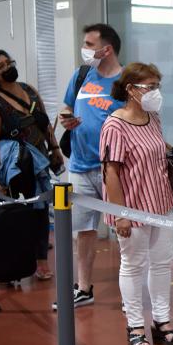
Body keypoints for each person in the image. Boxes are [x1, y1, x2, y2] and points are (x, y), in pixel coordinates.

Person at [101, 62, 173, 345]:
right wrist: (121, 214)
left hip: (161, 202)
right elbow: (110, 172)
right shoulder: (114, 125)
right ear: (131, 89)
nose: (155, 92)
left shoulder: (153, 117)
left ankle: (161, 321)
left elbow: (157, 149)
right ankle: (135, 326)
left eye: (157, 86)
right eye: (150, 87)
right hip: (132, 207)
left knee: (161, 264)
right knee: (133, 265)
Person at [0, 49, 64, 281]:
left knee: (40, 211)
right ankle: (9, 265)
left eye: (9, 62)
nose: (9, 67)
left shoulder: (29, 91)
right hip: (13, 168)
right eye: (2, 66)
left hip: (38, 163)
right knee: (13, 214)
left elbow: (45, 123)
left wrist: (54, 148)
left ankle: (41, 262)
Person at [56, 24, 124, 307]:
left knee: (124, 229)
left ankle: (130, 294)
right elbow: (66, 107)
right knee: (82, 230)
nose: (84, 49)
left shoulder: (125, 81)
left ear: (106, 50)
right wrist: (66, 118)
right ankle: (83, 287)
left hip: (114, 169)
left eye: (89, 44)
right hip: (80, 165)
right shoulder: (82, 74)